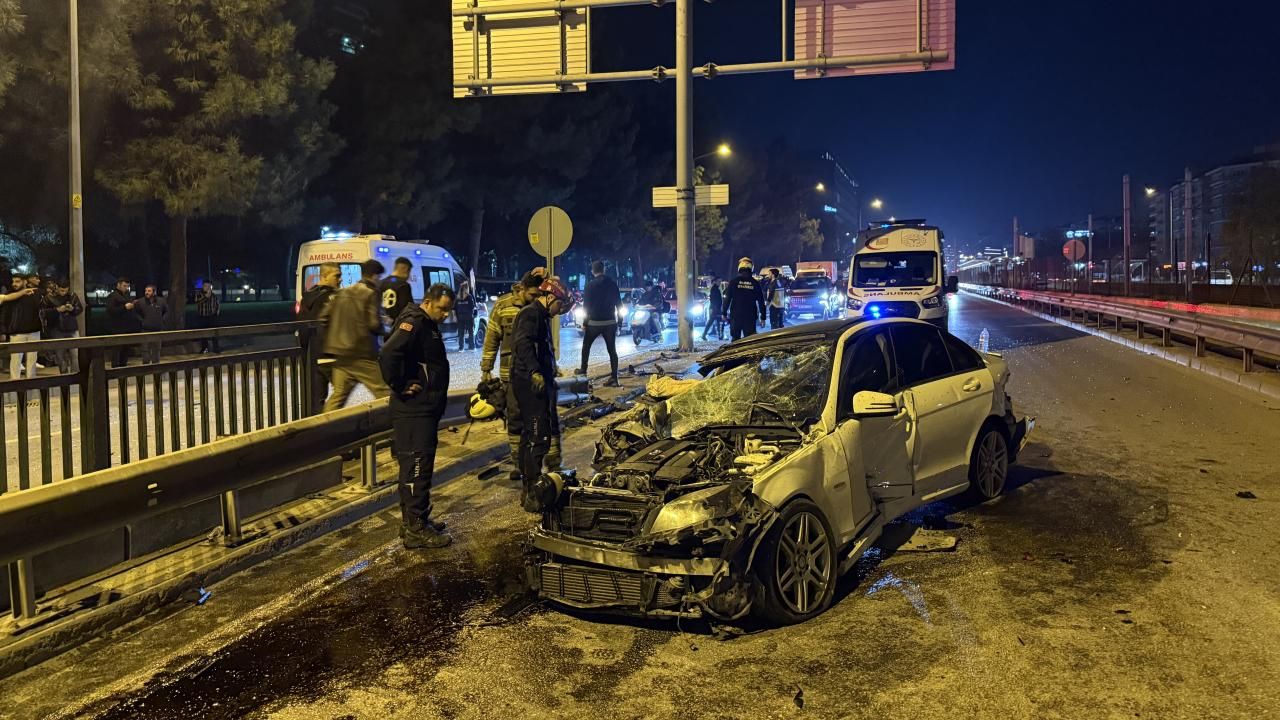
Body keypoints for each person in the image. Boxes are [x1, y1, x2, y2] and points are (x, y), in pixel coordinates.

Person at [380, 283, 456, 549]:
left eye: (449, 310)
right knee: (417, 466)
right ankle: (416, 528)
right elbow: (388, 353)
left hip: (422, 408)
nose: (445, 315)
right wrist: (399, 384)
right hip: (414, 410)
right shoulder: (414, 322)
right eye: (442, 309)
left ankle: (413, 520)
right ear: (428, 301)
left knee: (417, 465)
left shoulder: (425, 323)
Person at [511, 276, 572, 511]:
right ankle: (532, 492)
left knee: (531, 435)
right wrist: (535, 372)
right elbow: (523, 344)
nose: (560, 310)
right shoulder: (531, 314)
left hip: (535, 382)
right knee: (538, 436)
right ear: (549, 298)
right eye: (559, 304)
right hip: (530, 384)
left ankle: (529, 488)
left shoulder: (541, 316)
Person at [480, 267, 547, 479]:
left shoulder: (539, 308)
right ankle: (518, 463)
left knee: (534, 420)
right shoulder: (503, 306)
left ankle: (531, 462)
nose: (535, 299)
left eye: (539, 295)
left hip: (534, 374)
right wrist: (486, 368)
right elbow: (492, 337)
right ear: (521, 288)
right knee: (516, 418)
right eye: (533, 295)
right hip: (511, 375)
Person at [320, 259, 391, 412]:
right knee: (384, 391)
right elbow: (373, 323)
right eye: (379, 277)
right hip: (361, 352)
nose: (380, 281)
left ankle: (325, 425)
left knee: (338, 396)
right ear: (374, 276)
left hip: (340, 353)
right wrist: (387, 330)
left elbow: (324, 318)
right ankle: (394, 423)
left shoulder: (342, 292)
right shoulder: (370, 294)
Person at [298, 262, 342, 413]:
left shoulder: (307, 297)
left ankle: (317, 425)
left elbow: (302, 327)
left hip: (313, 354)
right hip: (332, 354)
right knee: (342, 392)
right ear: (324, 276)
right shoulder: (334, 297)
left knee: (317, 400)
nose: (340, 279)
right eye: (337, 275)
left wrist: (305, 351)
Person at [577, 261, 621, 385]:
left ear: (593, 271)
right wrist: (619, 322)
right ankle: (614, 377)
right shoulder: (612, 284)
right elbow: (619, 304)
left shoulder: (590, 285)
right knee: (612, 350)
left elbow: (586, 307)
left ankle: (583, 371)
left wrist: (585, 323)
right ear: (604, 269)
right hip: (610, 322)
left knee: (586, 346)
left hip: (594, 323)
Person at [5, 274, 43, 380]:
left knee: (32, 359)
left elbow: (42, 309)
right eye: (13, 282)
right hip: (17, 332)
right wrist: (3, 331)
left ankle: (31, 381)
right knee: (16, 359)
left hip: (34, 330)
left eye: (17, 281)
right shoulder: (10, 295)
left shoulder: (35, 293)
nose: (14, 284)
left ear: (25, 282)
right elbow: (5, 313)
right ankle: (15, 382)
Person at [41, 278, 83, 374]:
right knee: (60, 355)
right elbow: (43, 312)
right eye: (61, 290)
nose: (63, 293)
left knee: (75, 355)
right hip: (56, 329)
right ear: (57, 287)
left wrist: (73, 309)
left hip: (72, 327)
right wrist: (57, 310)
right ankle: (64, 376)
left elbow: (80, 308)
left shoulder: (72, 296)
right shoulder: (48, 297)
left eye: (65, 290)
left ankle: (75, 375)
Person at [105, 277, 142, 368]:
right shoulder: (112, 296)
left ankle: (123, 368)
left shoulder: (127, 295)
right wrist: (124, 307)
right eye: (124, 286)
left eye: (127, 286)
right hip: (117, 328)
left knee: (125, 350)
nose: (126, 288)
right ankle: (115, 369)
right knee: (117, 350)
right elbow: (111, 310)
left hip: (127, 327)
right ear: (118, 285)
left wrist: (132, 305)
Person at [727, 257, 767, 341]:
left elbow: (727, 298)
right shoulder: (755, 283)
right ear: (751, 268)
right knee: (749, 340)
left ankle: (735, 349)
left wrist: (724, 312)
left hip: (736, 315)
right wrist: (763, 317)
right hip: (750, 316)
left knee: (735, 340)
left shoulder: (733, 282)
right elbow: (761, 301)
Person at [377, 257, 415, 331]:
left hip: (383, 326)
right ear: (405, 269)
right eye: (409, 271)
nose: (409, 275)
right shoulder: (403, 285)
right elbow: (407, 309)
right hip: (398, 327)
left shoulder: (381, 283)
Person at [138, 284, 168, 364]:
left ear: (154, 292)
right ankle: (146, 367)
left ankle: (156, 367)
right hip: (145, 330)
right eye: (145, 291)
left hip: (158, 329)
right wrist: (142, 321)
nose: (146, 292)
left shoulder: (161, 301)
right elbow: (136, 313)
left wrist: (162, 320)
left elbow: (166, 311)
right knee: (145, 350)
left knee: (156, 350)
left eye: (149, 291)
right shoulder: (141, 301)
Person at [195, 284, 221, 353]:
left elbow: (217, 304)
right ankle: (205, 348)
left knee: (214, 333)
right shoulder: (199, 294)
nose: (207, 288)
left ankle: (216, 348)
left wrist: (217, 312)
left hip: (212, 317)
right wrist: (206, 297)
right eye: (205, 286)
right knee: (203, 334)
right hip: (202, 317)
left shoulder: (214, 295)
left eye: (208, 286)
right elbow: (198, 302)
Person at [453, 280, 476, 351]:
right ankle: (471, 347)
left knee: (461, 333)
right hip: (468, 316)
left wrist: (455, 317)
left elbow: (454, 308)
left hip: (460, 317)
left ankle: (461, 348)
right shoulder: (469, 297)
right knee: (471, 332)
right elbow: (472, 306)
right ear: (467, 288)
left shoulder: (458, 297)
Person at [701, 274, 724, 342]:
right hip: (715, 309)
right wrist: (716, 308)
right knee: (715, 322)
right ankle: (719, 336)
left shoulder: (716, 288)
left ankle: (719, 335)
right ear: (715, 281)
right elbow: (714, 299)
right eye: (719, 281)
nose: (720, 283)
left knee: (715, 322)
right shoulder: (714, 289)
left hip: (716, 308)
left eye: (720, 281)